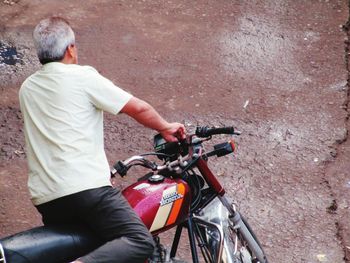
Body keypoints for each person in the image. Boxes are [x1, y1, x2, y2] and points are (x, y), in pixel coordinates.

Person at [19, 16, 186, 263]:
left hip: (48, 199)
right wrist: (165, 127)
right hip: (86, 191)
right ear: (70, 49)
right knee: (140, 241)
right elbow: (137, 108)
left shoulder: (27, 88)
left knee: (93, 244)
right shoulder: (83, 77)